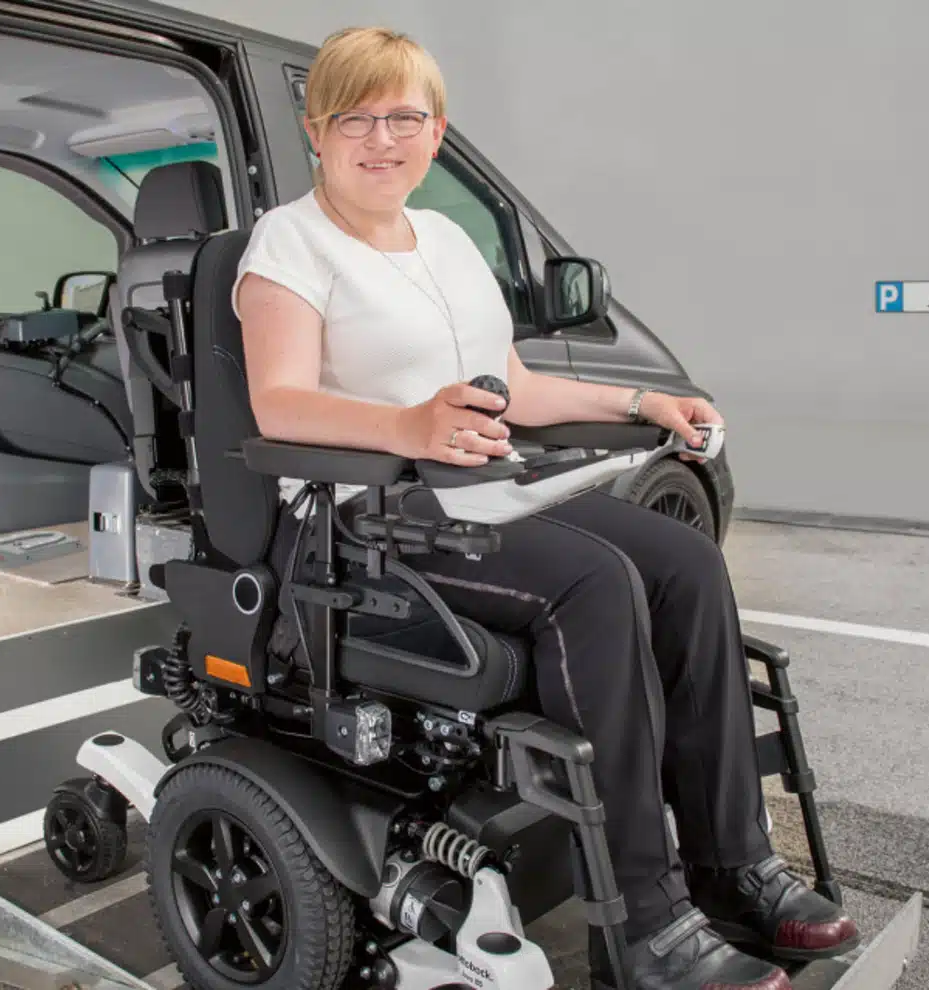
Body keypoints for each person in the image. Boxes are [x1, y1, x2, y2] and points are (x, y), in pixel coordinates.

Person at [231, 25, 857, 990]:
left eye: (403, 117)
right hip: (363, 516)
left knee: (686, 565)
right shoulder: (290, 240)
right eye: (354, 118)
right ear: (316, 132)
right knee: (594, 584)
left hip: (477, 490)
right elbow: (278, 403)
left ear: (437, 132)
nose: (381, 138)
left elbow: (512, 386)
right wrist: (409, 425)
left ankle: (731, 869)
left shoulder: (444, 241)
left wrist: (643, 402)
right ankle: (644, 929)